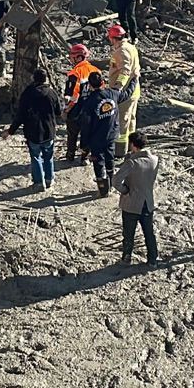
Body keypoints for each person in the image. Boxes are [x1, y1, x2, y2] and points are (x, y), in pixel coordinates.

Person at [7, 67, 63, 192]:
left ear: (33, 78)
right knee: (48, 156)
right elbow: (59, 111)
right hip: (49, 131)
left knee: (36, 157)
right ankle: (49, 179)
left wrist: (10, 131)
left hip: (33, 132)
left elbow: (20, 115)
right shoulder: (52, 93)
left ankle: (39, 183)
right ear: (45, 79)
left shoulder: (27, 94)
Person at [114, 131, 159, 267]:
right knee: (149, 233)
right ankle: (152, 260)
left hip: (131, 204)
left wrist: (125, 190)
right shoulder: (155, 160)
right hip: (147, 202)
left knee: (128, 234)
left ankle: (127, 258)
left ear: (133, 145)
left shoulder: (132, 163)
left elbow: (115, 180)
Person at [72, 70, 120, 196]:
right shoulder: (112, 94)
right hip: (111, 136)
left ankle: (103, 189)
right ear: (103, 83)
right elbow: (126, 94)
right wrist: (134, 80)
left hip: (96, 140)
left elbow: (86, 126)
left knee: (98, 163)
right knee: (110, 159)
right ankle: (111, 182)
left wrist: (84, 145)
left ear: (90, 86)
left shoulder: (89, 102)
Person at [106, 23, 141, 157]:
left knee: (122, 120)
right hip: (134, 89)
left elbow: (125, 70)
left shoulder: (122, 51)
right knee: (131, 119)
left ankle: (120, 151)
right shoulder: (131, 47)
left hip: (125, 92)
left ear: (114, 38)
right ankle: (133, 147)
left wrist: (118, 87)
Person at [63, 43, 100, 162]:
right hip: (91, 111)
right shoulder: (96, 70)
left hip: (76, 110)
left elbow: (71, 95)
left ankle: (70, 155)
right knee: (87, 134)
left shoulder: (74, 73)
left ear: (79, 57)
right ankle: (84, 157)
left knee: (72, 134)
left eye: (72, 57)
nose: (71, 59)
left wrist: (67, 109)